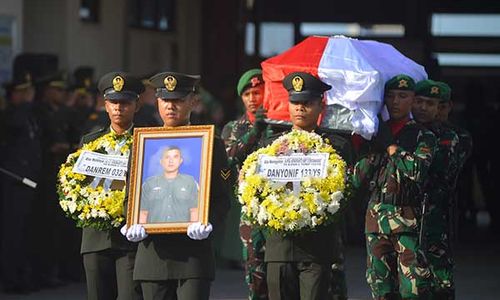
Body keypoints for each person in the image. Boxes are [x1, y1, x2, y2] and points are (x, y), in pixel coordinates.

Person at [123, 71, 231, 300]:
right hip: (153, 255)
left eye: (178, 100)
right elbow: (130, 195)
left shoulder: (211, 144)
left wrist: (208, 221)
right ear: (157, 101)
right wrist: (131, 222)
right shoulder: (143, 144)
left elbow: (222, 198)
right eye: (165, 100)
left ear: (193, 102)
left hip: (193, 257)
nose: (170, 106)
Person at [261, 72, 352, 300]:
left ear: (321, 106)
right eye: (295, 103)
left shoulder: (337, 147)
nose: (300, 109)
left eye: (307, 103)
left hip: (316, 247)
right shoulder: (269, 145)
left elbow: (348, 193)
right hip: (279, 246)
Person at [352, 74, 436, 299]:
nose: (396, 101)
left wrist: (391, 147)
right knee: (381, 289)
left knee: (412, 289)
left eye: (402, 96)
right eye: (390, 96)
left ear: (413, 100)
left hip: (407, 219)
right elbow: (357, 179)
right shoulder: (375, 131)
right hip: (376, 219)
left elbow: (417, 171)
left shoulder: (422, 135)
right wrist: (366, 146)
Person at [79, 71, 144, 300]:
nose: (118, 108)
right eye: (113, 102)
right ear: (105, 105)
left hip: (131, 239)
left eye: (125, 103)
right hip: (96, 238)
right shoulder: (90, 142)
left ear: (137, 105)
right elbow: (78, 186)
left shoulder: (146, 141)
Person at [221, 68, 270, 299]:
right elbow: (228, 158)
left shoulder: (279, 124)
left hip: (278, 205)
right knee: (255, 270)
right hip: (250, 209)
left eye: (257, 92)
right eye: (247, 94)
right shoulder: (233, 128)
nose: (252, 98)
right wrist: (254, 133)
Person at [412, 79, 459, 299]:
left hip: (435, 216)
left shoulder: (449, 138)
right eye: (418, 102)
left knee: (440, 282)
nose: (423, 108)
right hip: (409, 216)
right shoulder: (408, 133)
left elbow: (431, 170)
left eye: (430, 104)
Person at [0, 72, 41, 293]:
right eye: (23, 92)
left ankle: (24, 275)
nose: (28, 96)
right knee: (12, 234)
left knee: (26, 233)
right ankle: (11, 279)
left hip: (29, 181)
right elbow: (13, 125)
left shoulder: (27, 114)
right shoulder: (10, 114)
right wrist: (24, 103)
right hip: (13, 182)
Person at [140, 146, 199, 223]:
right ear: (161, 161)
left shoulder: (190, 182)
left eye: (175, 157)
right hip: (154, 233)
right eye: (167, 157)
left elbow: (194, 210)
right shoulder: (149, 183)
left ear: (181, 160)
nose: (171, 161)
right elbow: (143, 213)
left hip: (182, 233)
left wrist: (194, 231)